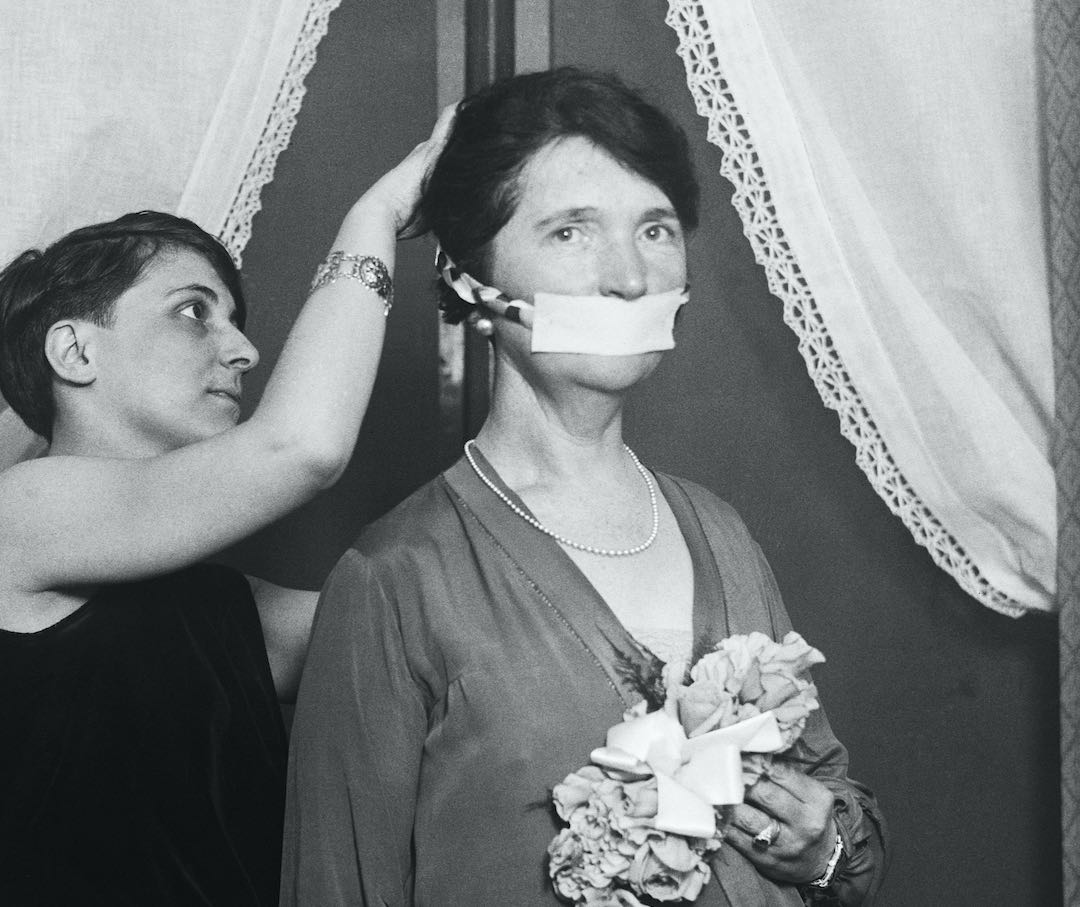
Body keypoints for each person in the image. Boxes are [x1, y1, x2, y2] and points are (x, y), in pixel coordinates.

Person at [281, 68, 886, 906]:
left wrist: (825, 843)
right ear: (471, 275)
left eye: (655, 229)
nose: (630, 278)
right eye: (571, 231)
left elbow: (841, 821)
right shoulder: (396, 578)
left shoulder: (721, 531)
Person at [0, 108, 452, 905]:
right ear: (75, 351)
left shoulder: (224, 607)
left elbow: (418, 623)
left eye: (234, 322)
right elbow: (301, 446)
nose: (243, 350)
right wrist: (377, 214)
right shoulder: (14, 514)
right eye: (193, 312)